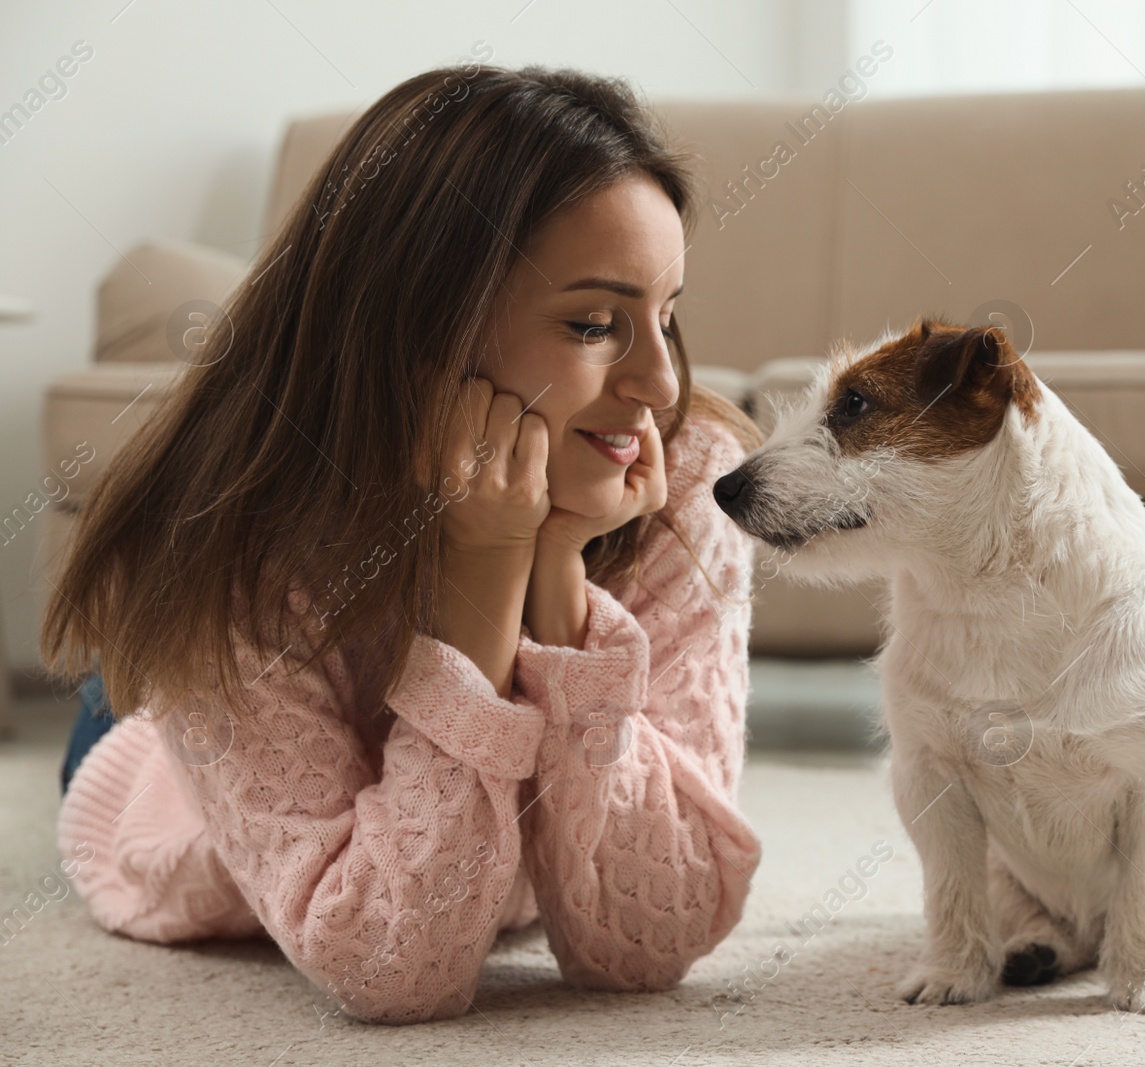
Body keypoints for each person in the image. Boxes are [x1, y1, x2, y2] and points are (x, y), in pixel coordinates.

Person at [44, 62, 765, 1025]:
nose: (662, 384)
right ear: (422, 333)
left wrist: (554, 571)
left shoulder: (687, 479)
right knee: (126, 707)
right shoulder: (234, 552)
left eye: (665, 317)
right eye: (596, 323)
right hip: (160, 762)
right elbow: (395, 967)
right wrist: (481, 569)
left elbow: (644, 945)